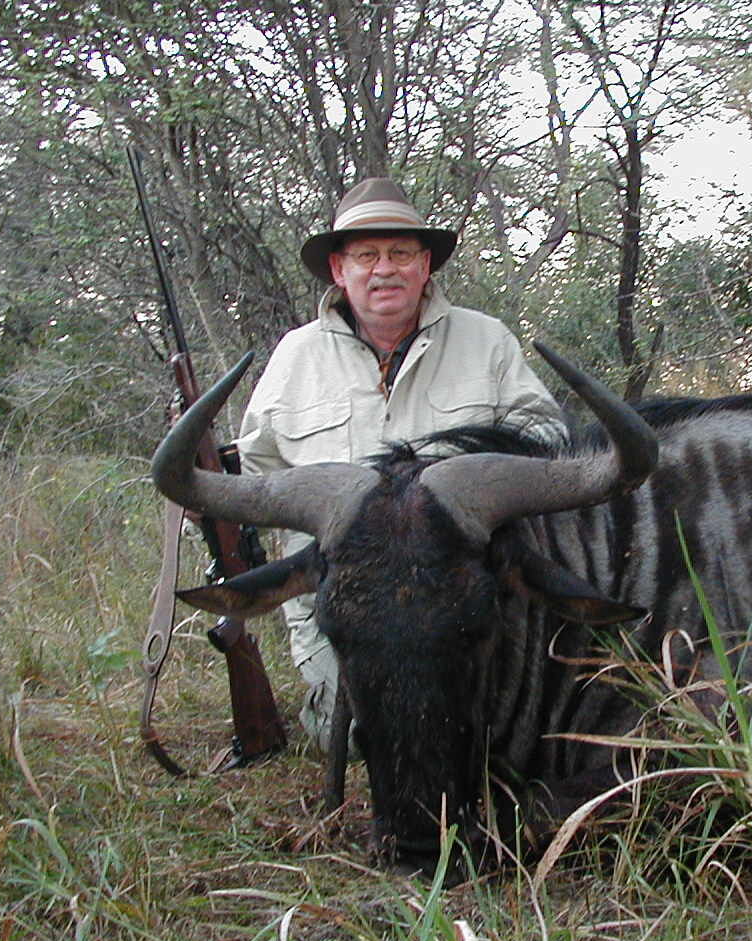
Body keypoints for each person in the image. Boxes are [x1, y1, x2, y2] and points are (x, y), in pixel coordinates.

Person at [236, 177, 566, 752]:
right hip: (347, 607)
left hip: (464, 597)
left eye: (400, 253)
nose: (383, 269)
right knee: (368, 739)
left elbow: (546, 437)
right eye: (366, 255)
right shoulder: (296, 355)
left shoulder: (485, 340)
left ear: (425, 265)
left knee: (491, 735)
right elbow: (258, 475)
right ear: (339, 269)